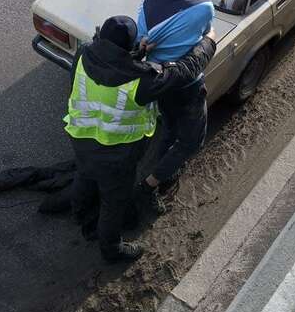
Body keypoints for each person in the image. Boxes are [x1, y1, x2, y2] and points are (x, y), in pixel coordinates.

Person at [66, 15, 216, 263]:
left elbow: (107, 70)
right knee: (114, 203)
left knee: (84, 176)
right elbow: (184, 71)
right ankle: (111, 249)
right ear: (129, 46)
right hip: (116, 155)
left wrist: (134, 56)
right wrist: (208, 42)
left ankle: (80, 215)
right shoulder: (142, 80)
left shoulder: (83, 54)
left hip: (81, 137)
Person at [134, 0, 227, 213]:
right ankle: (150, 185)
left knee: (171, 127)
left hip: (159, 83)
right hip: (187, 85)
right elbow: (204, 33)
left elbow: (143, 37)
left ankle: (159, 166)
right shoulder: (204, 8)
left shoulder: (147, 1)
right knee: (192, 141)